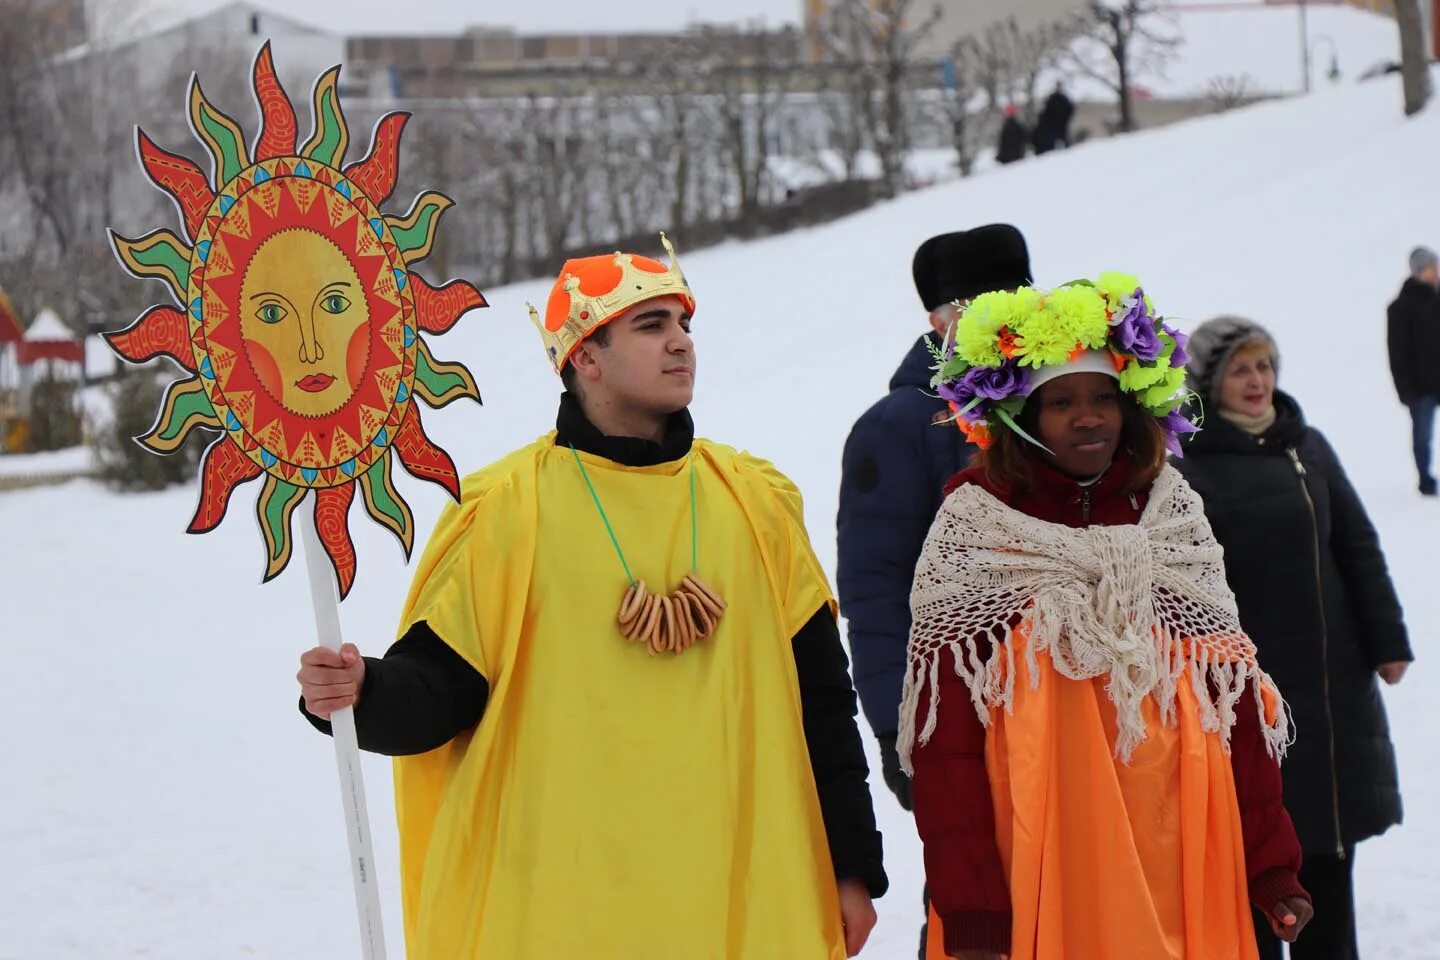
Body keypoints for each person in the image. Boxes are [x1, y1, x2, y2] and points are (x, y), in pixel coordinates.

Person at [296, 236, 888, 958]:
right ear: (585, 356)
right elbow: (440, 689)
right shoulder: (508, 511)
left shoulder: (753, 502)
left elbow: (823, 701)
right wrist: (362, 692)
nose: (681, 344)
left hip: (739, 891)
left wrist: (852, 867)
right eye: (652, 325)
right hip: (564, 908)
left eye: (685, 325)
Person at [902, 275, 1312, 960]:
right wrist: (971, 905)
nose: (1087, 417)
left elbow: (1232, 699)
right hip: (1044, 844)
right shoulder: (977, 528)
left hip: (1183, 842)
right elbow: (945, 742)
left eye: (1103, 399)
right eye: (1060, 401)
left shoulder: (1170, 514)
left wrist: (1273, 865)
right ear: (1020, 417)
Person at [1177, 315, 1413, 960]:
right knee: (1255, 856)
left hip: (1334, 682)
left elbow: (1357, 546)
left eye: (1265, 366)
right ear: (1208, 380)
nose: (1258, 381)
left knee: (1330, 852)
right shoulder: (1187, 463)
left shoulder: (1306, 444)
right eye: (1240, 369)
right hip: (1247, 692)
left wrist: (1387, 639)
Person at [838, 224, 1030, 958]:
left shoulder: (1055, 401)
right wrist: (894, 726)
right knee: (973, 904)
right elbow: (875, 587)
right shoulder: (897, 425)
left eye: (1016, 295)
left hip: (1065, 699)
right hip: (957, 712)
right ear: (937, 321)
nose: (998, 314)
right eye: (974, 300)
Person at [1386, 245, 1440, 495]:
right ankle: (1425, 480)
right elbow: (1397, 354)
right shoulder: (1400, 307)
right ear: (1419, 271)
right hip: (1420, 387)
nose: (1436, 272)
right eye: (1432, 268)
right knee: (1423, 436)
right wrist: (1405, 390)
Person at [1031, 83, 1075, 155]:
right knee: (1052, 144)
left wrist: (1065, 120)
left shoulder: (1064, 99)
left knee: (1064, 141)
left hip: (1061, 124)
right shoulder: (1051, 98)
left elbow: (1070, 110)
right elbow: (1046, 111)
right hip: (1052, 125)